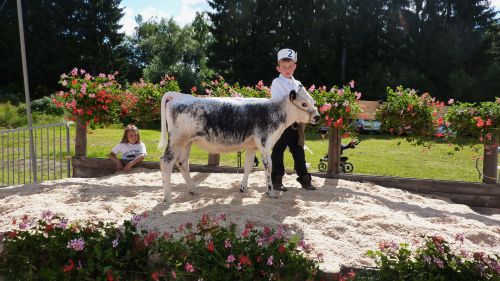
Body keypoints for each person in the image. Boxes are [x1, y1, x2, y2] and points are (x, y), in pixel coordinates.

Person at [270, 48, 316, 191]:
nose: (287, 70)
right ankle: (277, 180)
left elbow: (308, 99)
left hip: (296, 124)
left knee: (298, 150)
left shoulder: (298, 83)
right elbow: (280, 102)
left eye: (290, 66)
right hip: (283, 124)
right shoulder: (277, 82)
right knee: (278, 150)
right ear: (278, 68)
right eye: (284, 67)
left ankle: (304, 179)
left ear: (295, 66)